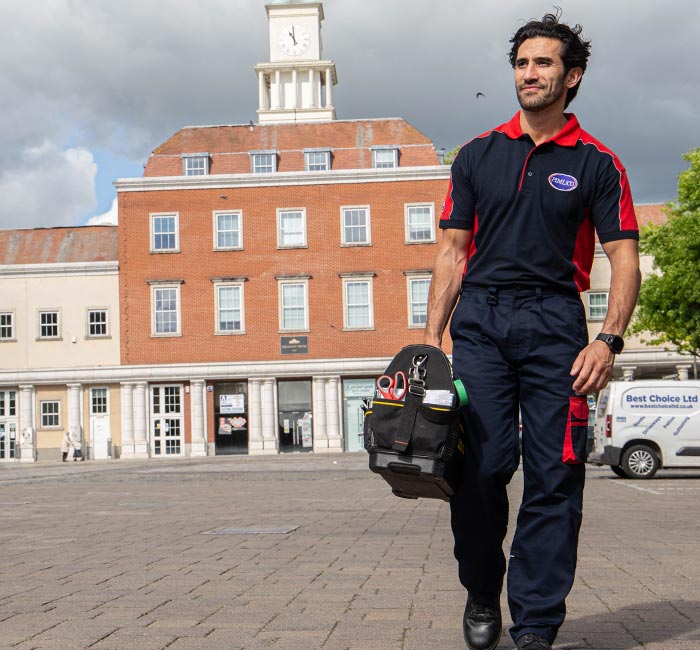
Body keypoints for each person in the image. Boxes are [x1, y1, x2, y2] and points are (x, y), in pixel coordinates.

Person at [423, 12, 641, 650]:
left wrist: (609, 338)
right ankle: (482, 589)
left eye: (543, 63)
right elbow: (452, 251)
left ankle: (538, 626)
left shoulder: (599, 163)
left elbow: (622, 257)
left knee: (557, 474)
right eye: (521, 63)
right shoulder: (477, 154)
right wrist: (431, 339)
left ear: (571, 77)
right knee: (482, 468)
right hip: (483, 324)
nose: (528, 74)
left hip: (557, 326)